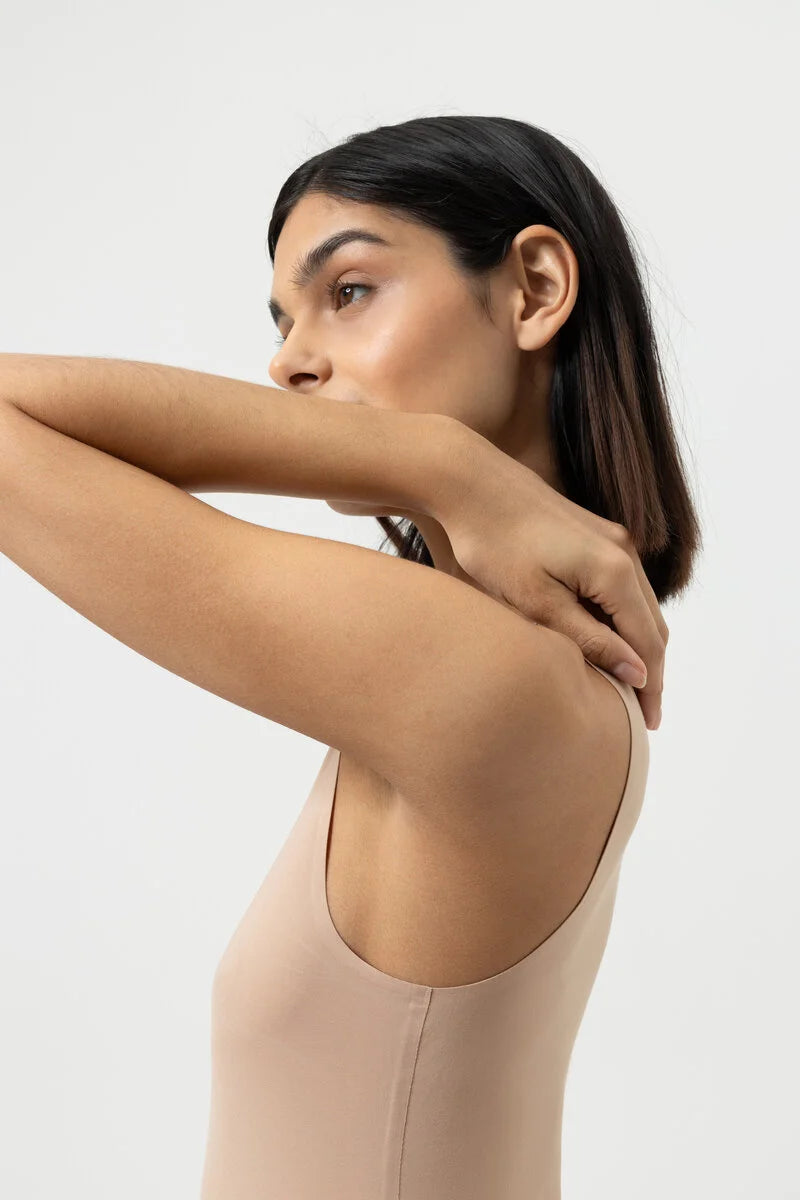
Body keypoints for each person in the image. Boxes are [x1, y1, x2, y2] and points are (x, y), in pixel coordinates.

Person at [0, 115, 700, 1198]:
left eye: (351, 290)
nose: (288, 359)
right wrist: (441, 469)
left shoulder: (484, 673)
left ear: (533, 289)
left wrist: (439, 463)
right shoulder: (515, 672)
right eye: (282, 319)